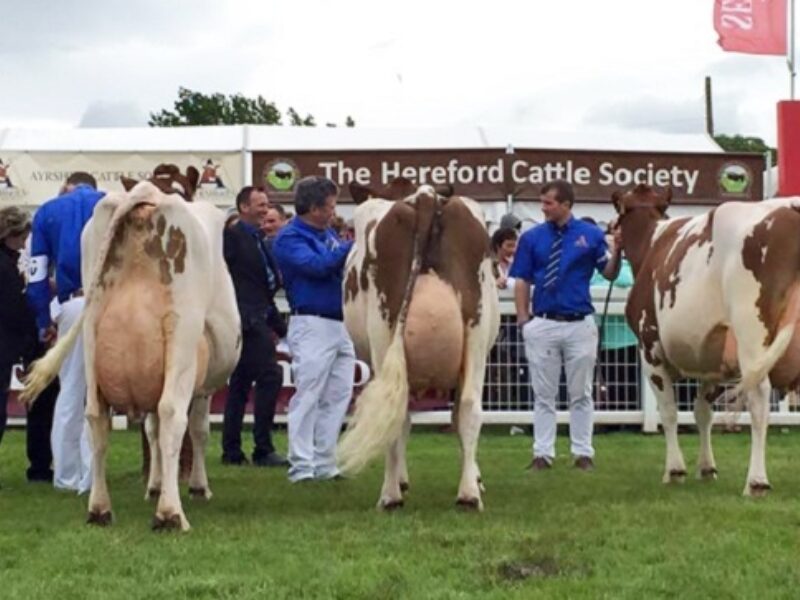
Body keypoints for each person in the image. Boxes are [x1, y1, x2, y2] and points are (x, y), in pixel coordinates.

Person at [510, 180, 621, 471]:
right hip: (544, 321)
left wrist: (618, 250)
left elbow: (608, 273)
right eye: (543, 202)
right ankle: (542, 453)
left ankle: (583, 452)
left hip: (578, 321)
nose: (543, 207)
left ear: (566, 205)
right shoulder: (532, 238)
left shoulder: (591, 235)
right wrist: (523, 318)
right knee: (543, 393)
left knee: (581, 391)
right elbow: (522, 279)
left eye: (549, 202)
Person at [272, 176, 355, 483]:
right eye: (330, 206)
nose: (333, 212)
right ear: (314, 208)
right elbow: (317, 267)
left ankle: (325, 462)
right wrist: (352, 246)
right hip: (311, 321)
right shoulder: (289, 237)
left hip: (338, 322)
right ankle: (301, 466)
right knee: (308, 394)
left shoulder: (327, 235)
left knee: (338, 394)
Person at [27, 172, 104, 493]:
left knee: (71, 389)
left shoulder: (48, 211)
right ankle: (93, 472)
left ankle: (68, 476)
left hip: (73, 304)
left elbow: (36, 277)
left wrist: (44, 321)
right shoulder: (110, 204)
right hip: (112, 302)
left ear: (66, 186)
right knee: (99, 393)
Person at [222, 186, 288, 467]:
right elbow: (225, 276)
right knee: (270, 376)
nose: (265, 209)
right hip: (245, 319)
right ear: (243, 207)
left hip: (260, 314)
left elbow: (263, 285)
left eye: (267, 204)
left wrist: (281, 327)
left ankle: (232, 450)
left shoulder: (259, 238)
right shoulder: (232, 237)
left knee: (239, 383)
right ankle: (262, 447)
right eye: (260, 204)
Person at [0, 207, 57, 486]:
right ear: (13, 234)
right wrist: (38, 329)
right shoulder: (5, 268)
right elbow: (15, 311)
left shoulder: (8, 265)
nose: (26, 243)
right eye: (23, 236)